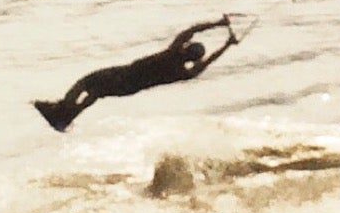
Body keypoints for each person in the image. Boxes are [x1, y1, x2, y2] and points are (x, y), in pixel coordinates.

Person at [33, 17, 237, 132]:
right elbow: (210, 61)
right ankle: (64, 114)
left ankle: (63, 113)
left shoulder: (173, 51)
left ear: (186, 49)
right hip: (130, 87)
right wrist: (227, 44)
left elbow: (193, 29)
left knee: (86, 83)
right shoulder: (184, 73)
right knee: (95, 93)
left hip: (124, 73)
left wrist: (219, 24)